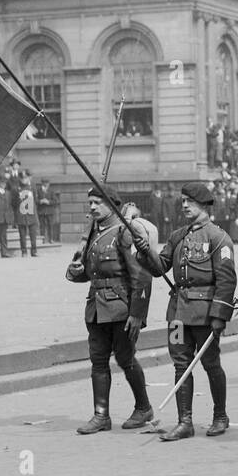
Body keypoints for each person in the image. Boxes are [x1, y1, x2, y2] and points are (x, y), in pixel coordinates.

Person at [133, 183, 237, 440]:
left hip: (204, 315)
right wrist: (146, 252)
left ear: (203, 204)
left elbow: (227, 281)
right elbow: (160, 268)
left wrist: (219, 316)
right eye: (183, 201)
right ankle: (185, 422)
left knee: (211, 364)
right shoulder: (178, 236)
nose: (185, 205)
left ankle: (220, 416)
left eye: (190, 201)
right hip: (177, 314)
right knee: (181, 365)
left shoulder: (218, 238)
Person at [66, 183, 154, 434]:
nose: (92, 207)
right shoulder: (94, 233)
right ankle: (101, 416)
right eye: (90, 203)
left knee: (125, 358)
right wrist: (76, 272)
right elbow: (90, 271)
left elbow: (142, 277)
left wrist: (138, 314)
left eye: (98, 203)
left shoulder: (125, 232)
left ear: (112, 204)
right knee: (98, 361)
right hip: (96, 307)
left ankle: (143, 407)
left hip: (121, 308)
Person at [16, 176, 40, 257]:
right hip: (21, 215)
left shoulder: (32, 188)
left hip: (31, 215)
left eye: (25, 178)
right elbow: (13, 202)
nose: (24, 180)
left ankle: (34, 251)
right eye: (22, 178)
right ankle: (24, 251)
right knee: (22, 235)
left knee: (33, 235)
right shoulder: (17, 189)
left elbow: (36, 200)